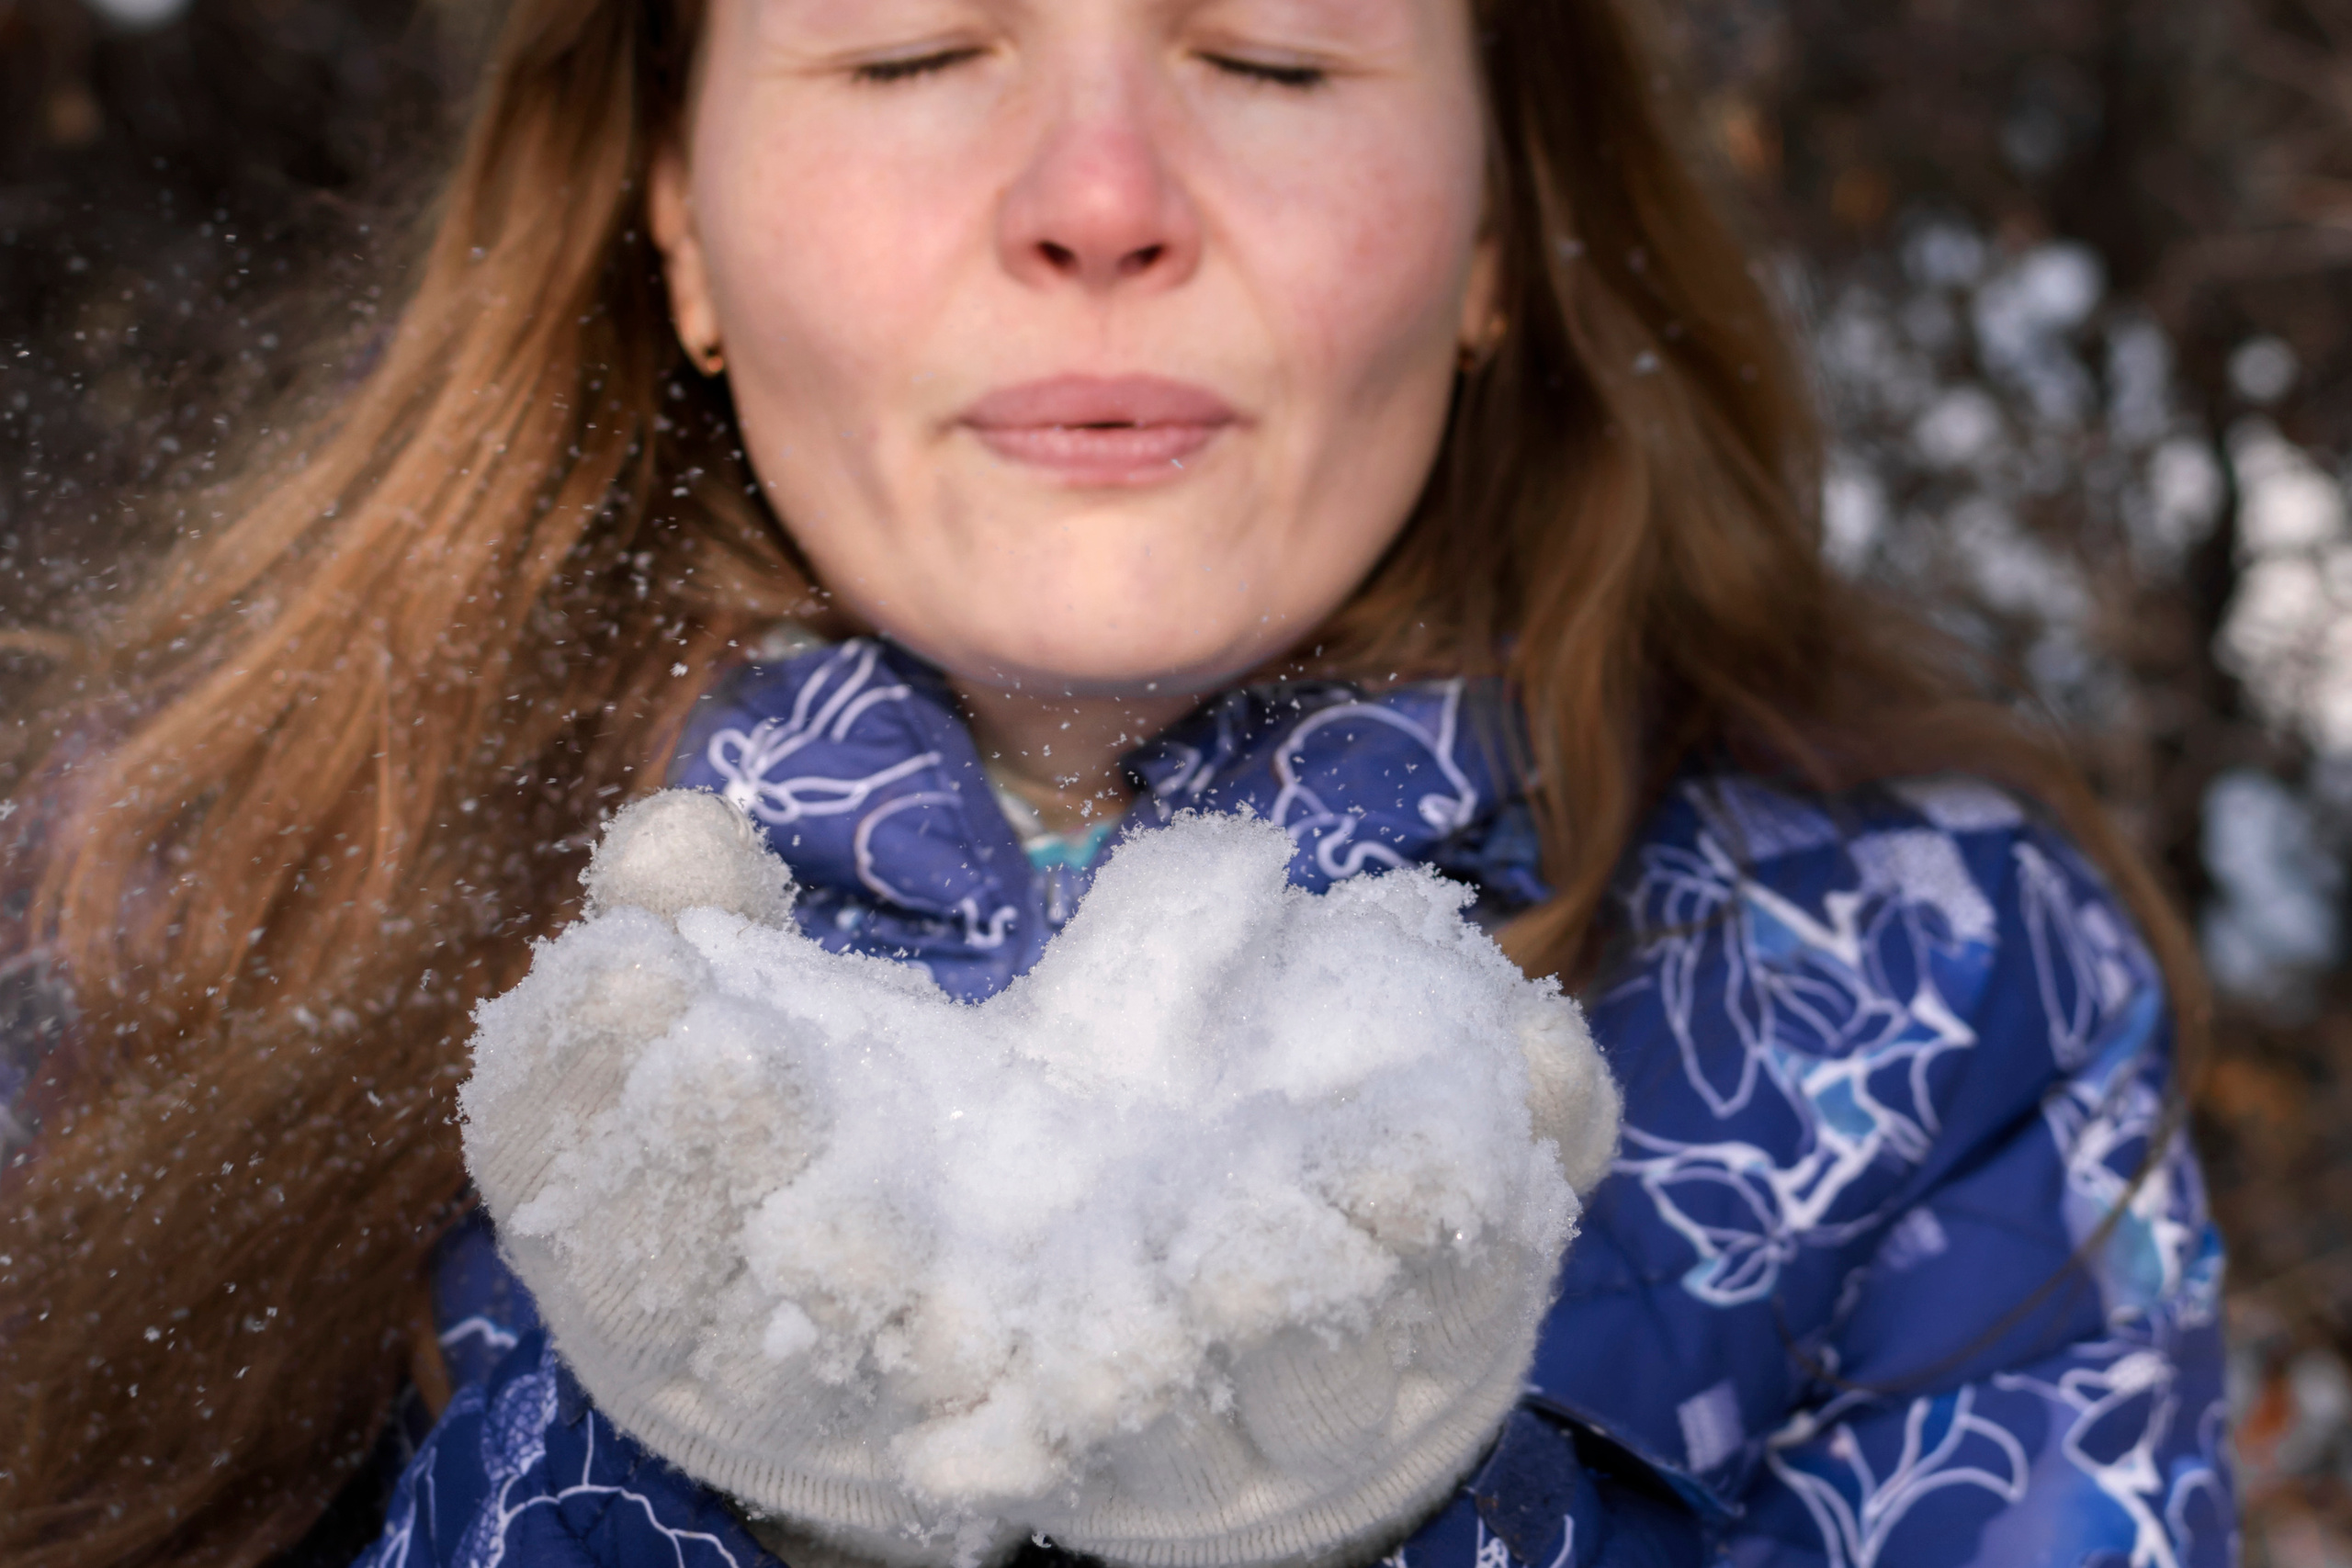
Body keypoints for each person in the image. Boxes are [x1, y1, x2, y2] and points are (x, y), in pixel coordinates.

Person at [0, 0, 2233, 1564]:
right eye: (908, 53)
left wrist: (1396, 1530)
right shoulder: (166, 903)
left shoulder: (1939, 995)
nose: (1096, 199)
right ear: (669, 204)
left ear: (1489, 220)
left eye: (1268, 55)